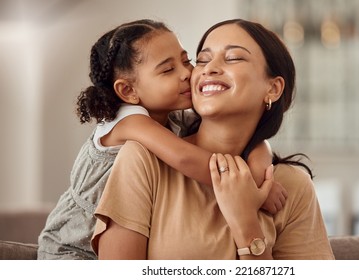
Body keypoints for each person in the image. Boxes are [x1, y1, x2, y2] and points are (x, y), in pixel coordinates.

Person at [37, 19, 285, 260]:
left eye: (186, 61)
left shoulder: (174, 118)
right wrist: (249, 185)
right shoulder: (130, 122)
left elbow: (249, 138)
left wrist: (260, 158)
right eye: (168, 69)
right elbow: (186, 157)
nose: (187, 74)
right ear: (128, 91)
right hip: (71, 250)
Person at [91, 18, 334, 260]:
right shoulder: (142, 158)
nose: (208, 69)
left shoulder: (292, 186)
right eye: (203, 59)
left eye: (233, 58)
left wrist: (246, 224)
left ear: (272, 88)